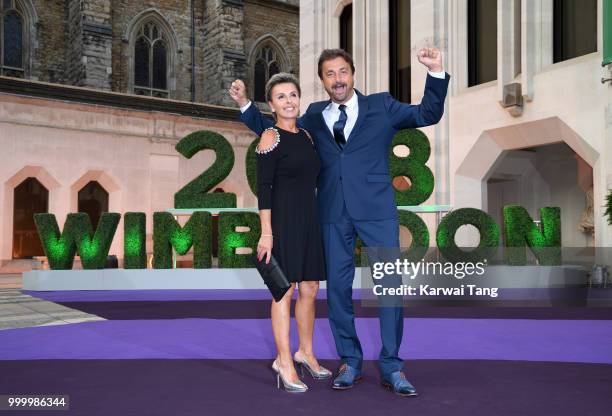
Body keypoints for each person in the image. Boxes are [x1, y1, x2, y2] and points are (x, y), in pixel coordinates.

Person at [230, 48, 449, 397]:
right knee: (338, 293)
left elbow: (428, 112)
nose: (338, 79)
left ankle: (393, 366)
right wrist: (245, 106)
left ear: (353, 73)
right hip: (331, 213)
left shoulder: (382, 106)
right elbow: (277, 131)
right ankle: (350, 361)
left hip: (377, 211)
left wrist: (436, 72)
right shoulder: (314, 114)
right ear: (322, 80)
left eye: (343, 71)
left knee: (389, 290)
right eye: (330, 74)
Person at [250, 72, 331, 393]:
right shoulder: (270, 137)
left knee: (310, 287)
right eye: (281, 97)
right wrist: (266, 233)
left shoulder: (308, 137)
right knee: (283, 290)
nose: (289, 101)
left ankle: (305, 352)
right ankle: (283, 360)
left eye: (293, 95)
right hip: (281, 222)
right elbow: (264, 189)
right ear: (271, 104)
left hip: (309, 220)